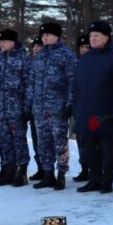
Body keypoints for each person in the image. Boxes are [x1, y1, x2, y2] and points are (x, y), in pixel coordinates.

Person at [72, 21, 113, 193]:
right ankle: (94, 179)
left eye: (97, 35)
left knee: (106, 148)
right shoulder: (84, 59)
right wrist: (76, 109)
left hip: (105, 112)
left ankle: (107, 181)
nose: (93, 38)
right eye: (91, 35)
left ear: (106, 37)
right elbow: (77, 87)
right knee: (89, 149)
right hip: (85, 112)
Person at [26, 22, 76, 191]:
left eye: (48, 34)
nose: (45, 37)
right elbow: (32, 82)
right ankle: (48, 174)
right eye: (43, 35)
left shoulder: (66, 55)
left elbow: (72, 81)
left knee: (59, 142)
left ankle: (61, 174)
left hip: (57, 107)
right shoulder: (38, 56)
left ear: (57, 36)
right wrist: (30, 103)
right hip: (39, 108)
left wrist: (69, 103)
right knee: (43, 142)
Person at [0, 29, 32, 187]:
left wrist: (27, 108)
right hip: (1, 109)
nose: (2, 43)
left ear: (13, 42)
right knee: (5, 141)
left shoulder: (23, 60)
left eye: (5, 41)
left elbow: (28, 85)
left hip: (17, 108)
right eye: (0, 41)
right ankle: (9, 171)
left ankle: (22, 172)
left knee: (19, 141)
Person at [72, 33, 92, 183]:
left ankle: (97, 169)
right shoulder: (75, 64)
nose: (84, 49)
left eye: (87, 47)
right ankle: (85, 168)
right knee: (81, 140)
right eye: (82, 47)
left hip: (94, 108)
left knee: (95, 142)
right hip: (78, 108)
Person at [28, 35, 44, 180]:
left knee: (49, 141)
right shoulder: (30, 63)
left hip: (50, 108)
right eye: (34, 46)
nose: (36, 49)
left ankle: (52, 171)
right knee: (36, 139)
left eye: (39, 46)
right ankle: (41, 168)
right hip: (34, 108)